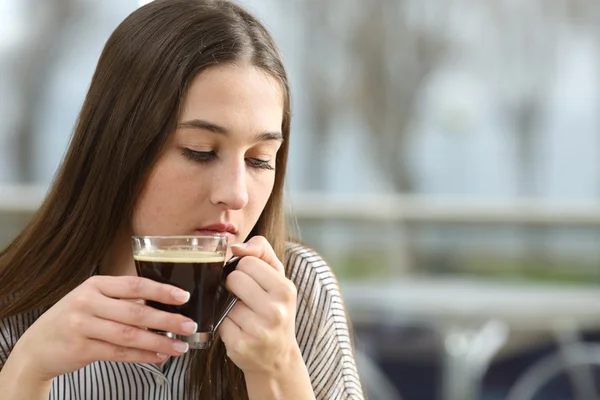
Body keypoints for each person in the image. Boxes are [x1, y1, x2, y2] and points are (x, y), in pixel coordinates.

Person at [0, 0, 364, 399]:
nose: (236, 193)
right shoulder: (14, 311)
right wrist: (27, 370)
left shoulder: (298, 293)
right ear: (119, 149)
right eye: (200, 151)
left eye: (259, 160)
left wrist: (276, 369)